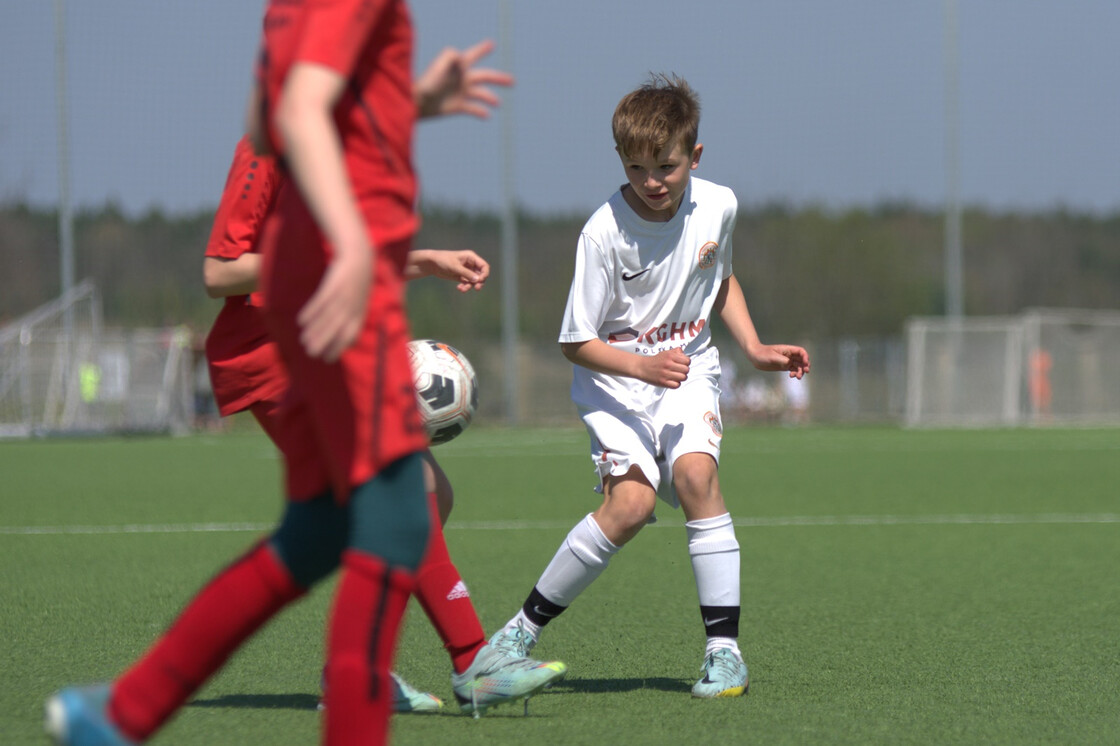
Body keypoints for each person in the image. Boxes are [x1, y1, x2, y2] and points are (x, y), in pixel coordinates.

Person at [45, 7, 564, 744]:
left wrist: (410, 131)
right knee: (401, 502)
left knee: (335, 530)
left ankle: (129, 711)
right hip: (287, 353)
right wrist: (342, 247)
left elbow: (312, 111)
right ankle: (470, 661)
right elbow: (227, 256)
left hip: (337, 334)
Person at [486, 74, 810, 699]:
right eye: (636, 168)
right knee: (629, 508)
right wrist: (642, 368)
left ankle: (724, 655)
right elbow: (574, 341)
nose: (652, 181)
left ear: (695, 155)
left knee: (696, 478)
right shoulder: (601, 232)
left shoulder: (719, 204)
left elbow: (720, 278)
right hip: (614, 381)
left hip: (688, 370)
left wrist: (754, 347)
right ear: (620, 162)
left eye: (666, 166)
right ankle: (515, 638)